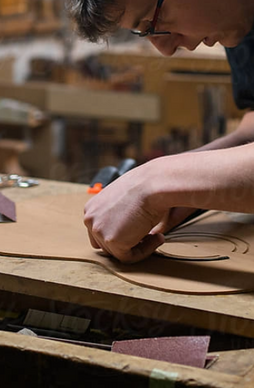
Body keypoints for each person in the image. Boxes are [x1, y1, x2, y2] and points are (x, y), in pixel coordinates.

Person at [67, 0, 254, 263]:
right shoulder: (237, 20)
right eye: (143, 31)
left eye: (153, 21)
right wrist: (189, 177)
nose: (165, 49)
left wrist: (156, 181)